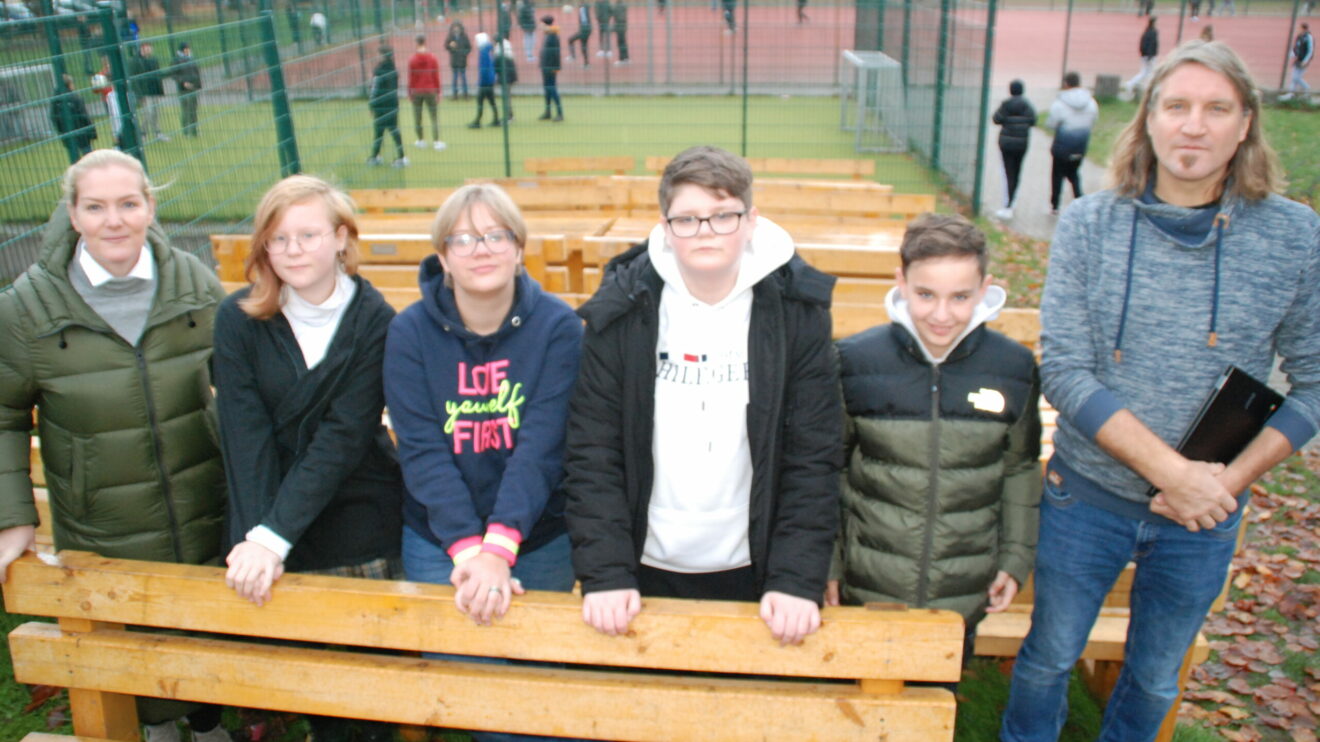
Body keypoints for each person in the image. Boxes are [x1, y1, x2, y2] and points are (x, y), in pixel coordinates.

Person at [1000, 40, 1320, 742]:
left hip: (1206, 515)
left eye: (1216, 109)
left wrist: (1218, 486)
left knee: (1154, 676)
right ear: (1148, 119)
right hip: (1083, 499)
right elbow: (1066, 371)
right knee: (1048, 658)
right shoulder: (1090, 223)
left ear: (1246, 124)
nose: (1193, 126)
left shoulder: (1293, 236)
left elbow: (1314, 384)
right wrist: (1173, 473)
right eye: (1176, 106)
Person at [564, 145, 843, 645]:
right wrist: (606, 572)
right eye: (687, 219)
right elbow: (593, 452)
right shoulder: (622, 311)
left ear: (752, 220)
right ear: (666, 228)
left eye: (722, 216)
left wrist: (796, 578)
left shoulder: (797, 315)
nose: (706, 232)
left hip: (753, 565)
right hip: (642, 562)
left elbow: (813, 455)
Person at [0, 149, 229, 742]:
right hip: (102, 514)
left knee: (204, 621)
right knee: (128, 629)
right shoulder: (27, 308)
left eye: (129, 204)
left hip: (201, 497)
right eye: (96, 207)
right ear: (72, 215)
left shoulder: (195, 283)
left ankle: (208, 722)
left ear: (150, 207)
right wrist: (12, 518)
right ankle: (155, 727)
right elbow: (2, 413)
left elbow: (240, 385)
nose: (115, 221)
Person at [383, 184, 583, 741]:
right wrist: (472, 551)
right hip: (439, 538)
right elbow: (420, 448)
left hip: (538, 536)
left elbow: (542, 447)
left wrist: (502, 546)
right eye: (463, 238)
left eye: (496, 235)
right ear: (442, 256)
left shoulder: (558, 327)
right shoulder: (409, 332)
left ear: (519, 248)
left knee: (537, 697)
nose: (481, 249)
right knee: (470, 693)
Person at [214, 175, 403, 742]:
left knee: (367, 690)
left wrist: (274, 535)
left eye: (308, 234)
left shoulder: (376, 320)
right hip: (269, 506)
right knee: (312, 685)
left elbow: (344, 438)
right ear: (263, 249)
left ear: (342, 237)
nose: (293, 250)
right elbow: (243, 438)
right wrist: (257, 536)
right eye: (278, 239)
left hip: (356, 506)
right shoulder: (240, 318)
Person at [828, 213, 1041, 680]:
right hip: (869, 586)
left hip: (963, 591)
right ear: (901, 282)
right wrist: (828, 563)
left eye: (960, 297)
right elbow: (830, 467)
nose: (942, 315)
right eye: (926, 295)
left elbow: (1020, 469)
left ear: (984, 288)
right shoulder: (854, 361)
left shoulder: (1014, 366)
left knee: (936, 702)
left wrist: (1015, 557)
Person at [1045, 71, 1098, 215]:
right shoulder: (1091, 102)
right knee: (1074, 173)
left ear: (1066, 84)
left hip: (1062, 145)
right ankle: (1079, 199)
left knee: (1057, 175)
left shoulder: (1060, 103)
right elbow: (1094, 120)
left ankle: (1055, 205)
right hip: (1081, 146)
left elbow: (1051, 123)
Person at [992, 79, 1036, 221]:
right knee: (1017, 171)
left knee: (1008, 172)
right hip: (1021, 144)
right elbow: (1033, 120)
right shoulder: (1027, 105)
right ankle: (1013, 198)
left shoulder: (1006, 104)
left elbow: (996, 119)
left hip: (1006, 143)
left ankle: (1008, 203)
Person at [367, 44, 407, 167]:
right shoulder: (394, 70)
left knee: (379, 131)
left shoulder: (378, 71)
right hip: (393, 104)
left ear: (382, 56)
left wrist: (371, 105)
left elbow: (374, 90)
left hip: (380, 105)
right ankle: (401, 157)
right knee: (394, 130)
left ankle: (375, 157)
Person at [408, 33, 446, 151]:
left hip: (417, 91)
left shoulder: (412, 59)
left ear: (416, 43)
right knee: (434, 116)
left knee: (417, 116)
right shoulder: (432, 58)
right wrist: (438, 91)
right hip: (430, 90)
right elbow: (436, 76)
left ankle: (420, 140)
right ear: (425, 42)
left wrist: (410, 92)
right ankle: (437, 142)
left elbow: (411, 77)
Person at [50, 74, 95, 164]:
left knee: (75, 160)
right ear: (69, 84)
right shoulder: (75, 97)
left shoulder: (55, 100)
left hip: (67, 134)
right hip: (82, 133)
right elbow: (84, 115)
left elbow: (53, 118)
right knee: (89, 157)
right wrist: (92, 131)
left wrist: (61, 132)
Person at [130, 41, 168, 143]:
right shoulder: (135, 61)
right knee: (148, 113)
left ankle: (157, 133)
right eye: (147, 48)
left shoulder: (153, 60)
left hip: (154, 91)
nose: (149, 50)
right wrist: (139, 95)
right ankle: (142, 133)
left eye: (150, 48)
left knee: (155, 113)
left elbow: (158, 74)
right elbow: (134, 80)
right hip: (144, 93)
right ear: (142, 48)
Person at [468, 32, 499, 128]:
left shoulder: (484, 52)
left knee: (480, 101)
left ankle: (478, 121)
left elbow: (484, 69)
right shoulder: (487, 50)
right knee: (491, 101)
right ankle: (495, 119)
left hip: (485, 82)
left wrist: (482, 81)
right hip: (489, 80)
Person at [172, 42, 202, 138]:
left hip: (193, 87)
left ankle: (194, 130)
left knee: (193, 109)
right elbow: (174, 75)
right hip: (183, 89)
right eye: (186, 49)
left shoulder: (191, 59)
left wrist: (198, 85)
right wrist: (183, 82)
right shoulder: (176, 60)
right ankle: (186, 131)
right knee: (186, 110)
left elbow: (196, 72)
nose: (188, 50)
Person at [1124, 17, 1159, 96]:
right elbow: (1151, 45)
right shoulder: (1153, 32)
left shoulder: (1147, 31)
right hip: (1150, 56)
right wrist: (1149, 55)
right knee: (1148, 72)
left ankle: (1134, 84)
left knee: (1146, 72)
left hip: (1146, 55)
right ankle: (1134, 84)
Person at [538, 15, 564, 121]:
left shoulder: (552, 35)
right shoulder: (549, 34)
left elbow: (555, 53)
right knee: (547, 89)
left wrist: (554, 67)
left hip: (550, 67)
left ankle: (559, 113)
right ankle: (548, 112)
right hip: (545, 66)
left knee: (552, 89)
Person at [1280, 22, 1313, 101]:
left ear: (1304, 28)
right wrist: (1292, 54)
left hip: (1303, 61)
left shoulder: (1308, 37)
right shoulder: (1299, 36)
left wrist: (1305, 60)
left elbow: (1310, 50)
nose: (1298, 29)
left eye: (1300, 28)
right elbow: (1296, 47)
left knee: (1296, 78)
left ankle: (1307, 89)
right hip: (1298, 60)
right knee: (1293, 77)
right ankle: (1290, 94)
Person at [494, 37, 518, 123]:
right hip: (509, 78)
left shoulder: (499, 54)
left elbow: (496, 67)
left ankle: (508, 116)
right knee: (508, 97)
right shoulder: (509, 54)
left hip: (505, 79)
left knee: (506, 97)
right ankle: (510, 115)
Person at [447, 20, 472, 99]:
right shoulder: (451, 37)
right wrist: (450, 46)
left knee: (463, 78)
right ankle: (455, 94)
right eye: (455, 27)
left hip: (462, 61)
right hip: (454, 61)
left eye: (457, 27)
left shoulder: (464, 37)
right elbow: (446, 46)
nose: (456, 29)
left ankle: (465, 94)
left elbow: (469, 47)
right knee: (454, 78)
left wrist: (464, 54)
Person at [612, 0, 629, 64]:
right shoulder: (622, 5)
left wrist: (614, 27)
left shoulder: (618, 6)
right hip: (622, 26)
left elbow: (620, 18)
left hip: (620, 27)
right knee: (623, 42)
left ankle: (622, 59)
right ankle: (626, 58)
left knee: (620, 43)